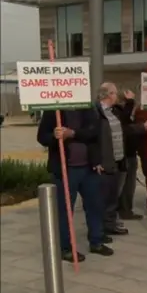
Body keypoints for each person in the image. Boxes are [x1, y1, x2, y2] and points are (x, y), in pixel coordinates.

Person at [37, 103, 115, 261]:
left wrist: (72, 133)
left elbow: (94, 133)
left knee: (95, 205)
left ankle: (96, 240)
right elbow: (42, 137)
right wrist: (54, 135)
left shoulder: (86, 107)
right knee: (65, 210)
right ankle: (65, 248)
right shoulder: (53, 110)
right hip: (65, 170)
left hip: (89, 168)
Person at [96, 83, 147, 239]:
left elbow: (125, 128)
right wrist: (96, 160)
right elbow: (94, 138)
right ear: (106, 95)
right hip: (105, 161)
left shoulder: (114, 112)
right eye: (114, 93)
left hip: (120, 159)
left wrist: (143, 127)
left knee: (114, 195)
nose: (116, 96)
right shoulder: (96, 112)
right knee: (104, 197)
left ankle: (111, 224)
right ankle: (101, 226)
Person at [116, 90, 144, 220]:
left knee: (129, 184)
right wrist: (130, 102)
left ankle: (125, 208)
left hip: (131, 153)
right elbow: (125, 126)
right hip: (125, 154)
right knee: (126, 185)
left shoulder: (126, 115)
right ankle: (125, 210)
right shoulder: (119, 113)